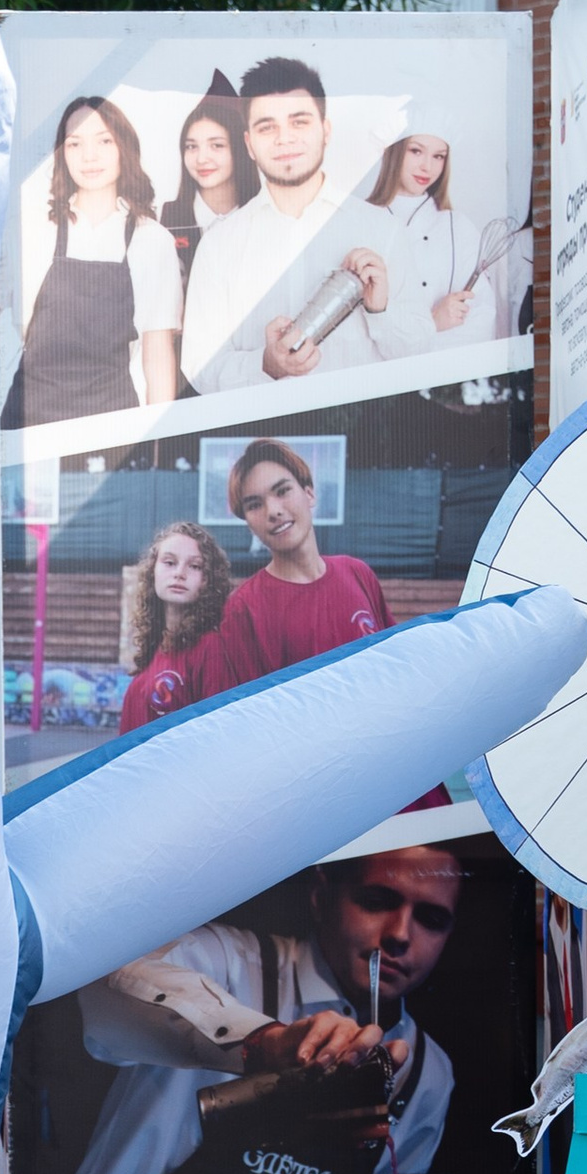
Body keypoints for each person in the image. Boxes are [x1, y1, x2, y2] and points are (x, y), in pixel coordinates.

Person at [16, 845, 463, 1174]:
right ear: (320, 895)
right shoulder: (229, 963)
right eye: (376, 901)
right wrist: (260, 1042)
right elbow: (109, 989)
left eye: (431, 919)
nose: (399, 935)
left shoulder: (426, 1072)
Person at [180, 58, 389, 394]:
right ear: (249, 143)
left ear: (326, 130)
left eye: (299, 122)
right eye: (267, 127)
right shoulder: (220, 244)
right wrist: (265, 365)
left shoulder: (381, 230)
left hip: (365, 435)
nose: (284, 139)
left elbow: (420, 351)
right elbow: (200, 367)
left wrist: (381, 312)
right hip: (260, 436)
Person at [0, 95, 182, 428]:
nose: (89, 156)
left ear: (124, 148)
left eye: (104, 140)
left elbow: (158, 354)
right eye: (75, 143)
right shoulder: (29, 229)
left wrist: (159, 436)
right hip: (29, 424)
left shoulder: (152, 240)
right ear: (61, 153)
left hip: (110, 426)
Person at [213, 441, 394, 687]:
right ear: (247, 521)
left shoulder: (357, 572)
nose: (273, 511)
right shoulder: (242, 611)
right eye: (255, 505)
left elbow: (391, 664)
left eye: (282, 491)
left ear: (309, 493)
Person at [357, 123, 515, 356]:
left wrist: (411, 344)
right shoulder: (360, 221)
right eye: (416, 151)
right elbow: (356, 330)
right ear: (392, 151)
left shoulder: (458, 227)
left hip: (444, 383)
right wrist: (432, 323)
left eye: (438, 156)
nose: (427, 167)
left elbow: (481, 318)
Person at [116, 522, 233, 735]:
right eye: (169, 562)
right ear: (153, 571)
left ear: (208, 580)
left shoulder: (211, 647)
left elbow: (218, 735)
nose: (180, 573)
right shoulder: (154, 648)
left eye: (195, 566)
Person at [164, 72, 258, 270]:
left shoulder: (263, 217)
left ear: (241, 148)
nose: (201, 159)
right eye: (191, 147)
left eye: (216, 145)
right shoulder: (164, 221)